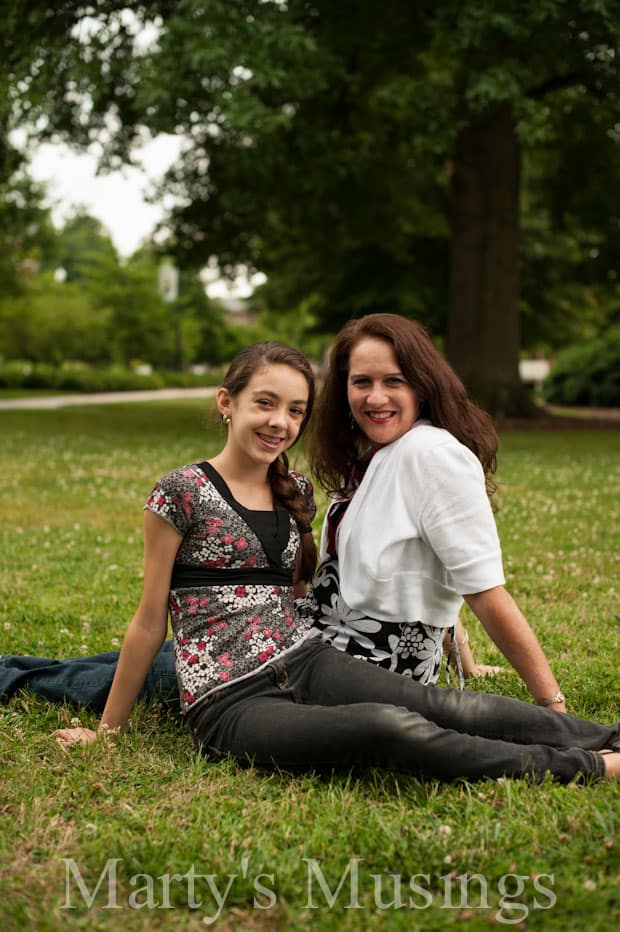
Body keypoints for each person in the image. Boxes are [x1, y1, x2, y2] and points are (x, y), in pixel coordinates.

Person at [9, 338, 619, 783]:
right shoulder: (179, 492)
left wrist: (456, 644)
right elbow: (149, 621)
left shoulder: (294, 491)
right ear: (228, 402)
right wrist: (107, 735)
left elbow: (364, 577)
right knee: (386, 727)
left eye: (296, 410)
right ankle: (589, 767)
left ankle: (605, 737)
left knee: (440, 706)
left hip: (307, 656)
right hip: (228, 701)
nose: (280, 422)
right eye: (265, 403)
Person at [304, 313, 563, 704]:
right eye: (361, 382)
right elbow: (422, 566)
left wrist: (551, 703)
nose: (376, 398)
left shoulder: (432, 456)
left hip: (356, 669)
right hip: (317, 641)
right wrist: (465, 662)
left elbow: (484, 591)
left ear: (422, 386)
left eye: (394, 381)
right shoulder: (382, 455)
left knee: (200, 666)